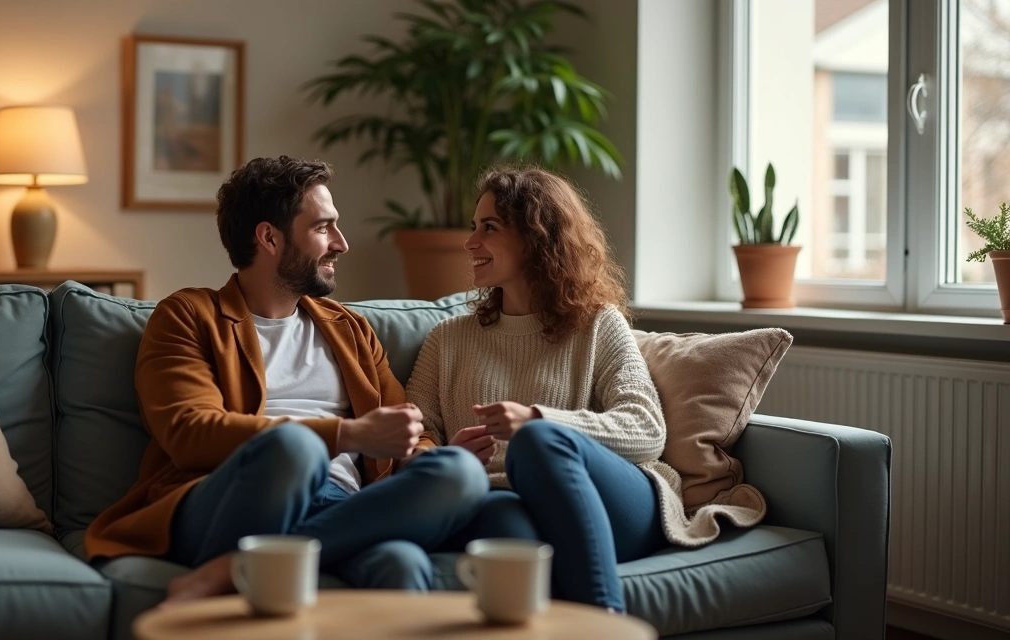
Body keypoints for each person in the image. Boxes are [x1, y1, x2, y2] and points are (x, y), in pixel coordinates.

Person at [85, 156, 488, 603]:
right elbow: (189, 432)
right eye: (323, 228)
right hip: (229, 495)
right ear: (269, 237)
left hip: (345, 506)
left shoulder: (348, 329)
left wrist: (420, 454)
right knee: (294, 449)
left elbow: (405, 429)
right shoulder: (188, 316)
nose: (342, 243)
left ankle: (238, 565)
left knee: (454, 482)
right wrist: (346, 434)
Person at [407, 167, 752, 613]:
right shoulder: (447, 340)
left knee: (537, 440)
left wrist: (539, 421)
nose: (470, 242)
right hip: (503, 500)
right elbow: (411, 439)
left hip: (618, 503)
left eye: (488, 228)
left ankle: (605, 624)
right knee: (508, 530)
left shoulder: (596, 326)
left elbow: (646, 430)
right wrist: (445, 455)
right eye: (474, 228)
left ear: (536, 237)